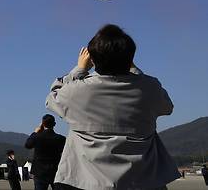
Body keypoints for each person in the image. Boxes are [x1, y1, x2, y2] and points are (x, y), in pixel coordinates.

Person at [46, 25, 181, 189]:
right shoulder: (150, 88)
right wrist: (135, 71)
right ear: (131, 57)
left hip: (84, 180)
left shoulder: (76, 90)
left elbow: (52, 97)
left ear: (93, 60)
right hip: (143, 180)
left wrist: (80, 69)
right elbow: (167, 107)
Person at [24, 114, 66, 190]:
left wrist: (35, 132)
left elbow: (28, 145)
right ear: (54, 124)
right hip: (55, 170)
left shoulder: (37, 137)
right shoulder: (61, 139)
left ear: (43, 124)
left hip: (39, 171)